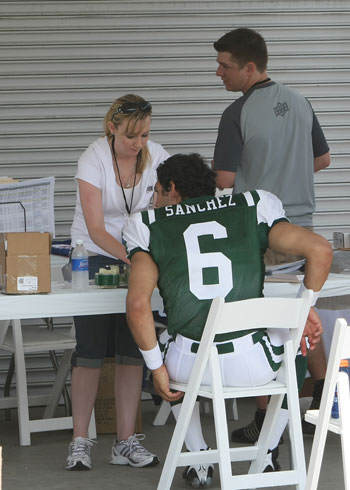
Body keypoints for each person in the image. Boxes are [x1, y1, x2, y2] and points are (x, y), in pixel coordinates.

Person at [124, 153, 332, 487]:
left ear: (172, 190)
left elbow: (137, 305)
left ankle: (199, 460)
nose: (154, 200)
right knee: (299, 343)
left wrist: (156, 369)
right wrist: (303, 308)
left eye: (157, 191)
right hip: (252, 363)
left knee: (159, 345)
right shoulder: (253, 205)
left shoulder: (148, 225)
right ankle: (265, 453)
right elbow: (320, 251)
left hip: (190, 366)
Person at [212, 27, 331, 439]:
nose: (218, 73)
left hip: (261, 235)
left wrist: (260, 174)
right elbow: (323, 159)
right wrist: (287, 167)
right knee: (302, 312)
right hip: (305, 234)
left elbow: (225, 180)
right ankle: (322, 397)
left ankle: (266, 422)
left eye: (225, 66)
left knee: (264, 323)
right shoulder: (301, 101)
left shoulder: (236, 114)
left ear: (249, 67)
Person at [66, 94, 170, 471]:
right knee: (90, 350)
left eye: (144, 135)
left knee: (133, 349)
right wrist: (134, 256)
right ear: (112, 128)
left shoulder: (157, 155)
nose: (139, 144)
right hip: (93, 256)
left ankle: (125, 441)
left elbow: (170, 204)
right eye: (131, 136)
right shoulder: (93, 157)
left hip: (138, 256)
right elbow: (95, 227)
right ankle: (80, 440)